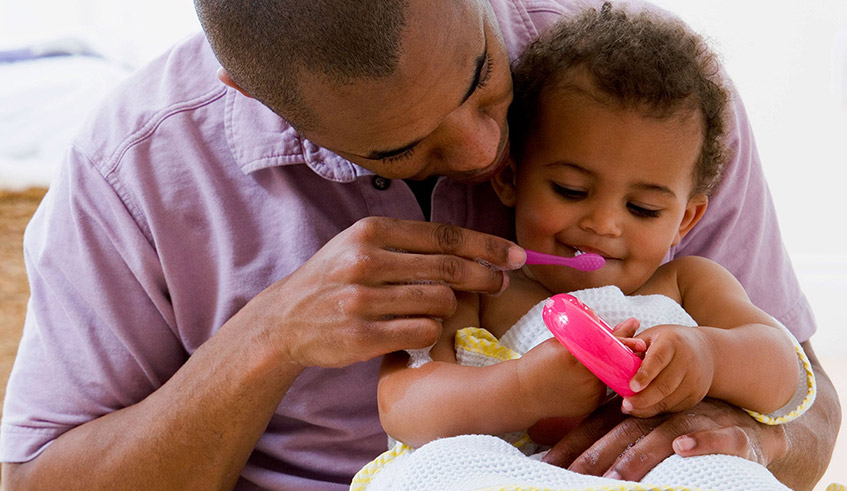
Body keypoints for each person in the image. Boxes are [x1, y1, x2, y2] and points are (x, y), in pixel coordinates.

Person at [0, 0, 839, 490]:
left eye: (483, 80)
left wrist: (734, 434)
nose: (486, 156)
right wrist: (269, 338)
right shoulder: (137, 165)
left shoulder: (648, 104)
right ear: (254, 96)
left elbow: (808, 408)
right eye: (398, 147)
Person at [370, 2, 813, 471]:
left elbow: (788, 377)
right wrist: (520, 388)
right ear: (510, 178)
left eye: (642, 208)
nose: (604, 224)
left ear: (686, 219)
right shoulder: (478, 288)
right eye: (571, 190)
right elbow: (402, 404)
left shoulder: (690, 283)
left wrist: (709, 356)